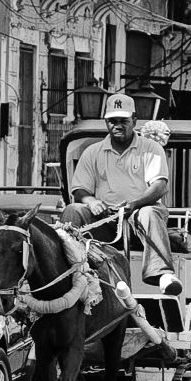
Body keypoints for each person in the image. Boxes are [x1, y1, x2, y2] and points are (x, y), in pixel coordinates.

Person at [60, 92, 183, 296]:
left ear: (134, 120)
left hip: (139, 217)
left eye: (123, 120)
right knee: (73, 210)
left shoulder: (151, 148)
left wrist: (135, 204)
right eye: (112, 121)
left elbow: (160, 185)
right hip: (105, 219)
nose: (118, 125)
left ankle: (161, 274)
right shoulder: (93, 152)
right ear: (106, 123)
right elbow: (79, 189)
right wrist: (91, 201)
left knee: (150, 213)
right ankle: (67, 270)